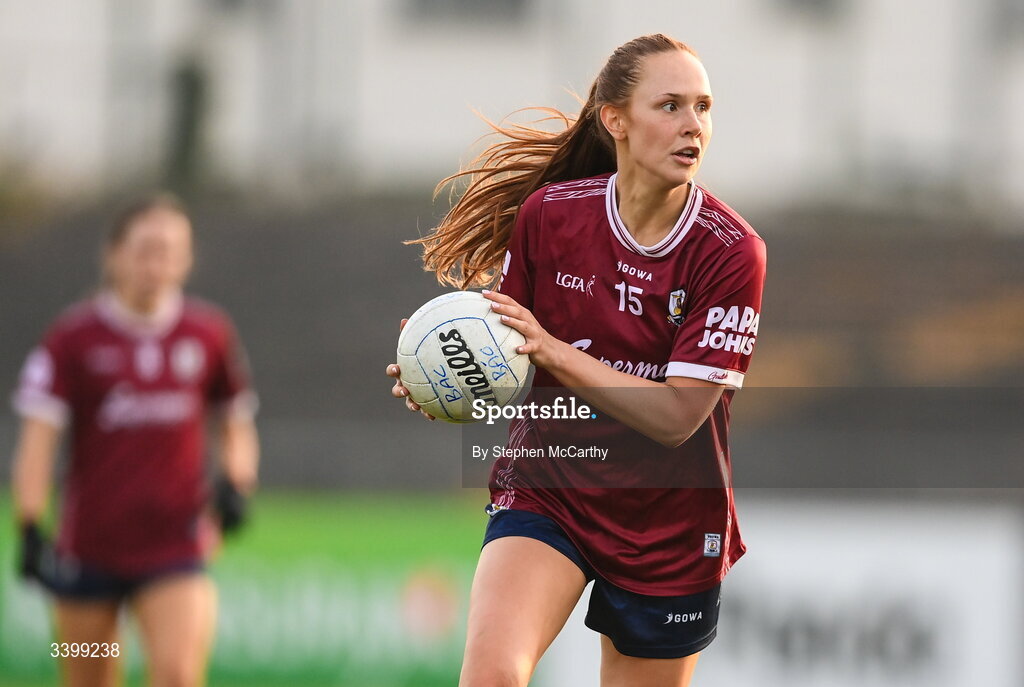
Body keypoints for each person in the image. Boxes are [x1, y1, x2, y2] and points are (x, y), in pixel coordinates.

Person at [388, 34, 765, 687]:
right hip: (551, 487)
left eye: (703, 107)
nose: (693, 125)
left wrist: (554, 349)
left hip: (669, 519)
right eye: (670, 105)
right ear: (614, 119)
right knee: (491, 675)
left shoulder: (730, 252)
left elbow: (678, 414)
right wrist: (445, 369)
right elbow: (505, 346)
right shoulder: (551, 216)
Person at [10, 194, 260, 687]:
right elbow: (38, 439)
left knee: (177, 674)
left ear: (186, 259)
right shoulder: (72, 338)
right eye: (146, 249)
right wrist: (30, 524)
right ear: (115, 255)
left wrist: (237, 483)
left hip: (176, 546)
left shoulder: (208, 333)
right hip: (86, 551)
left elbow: (235, 423)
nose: (157, 262)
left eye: (170, 250)